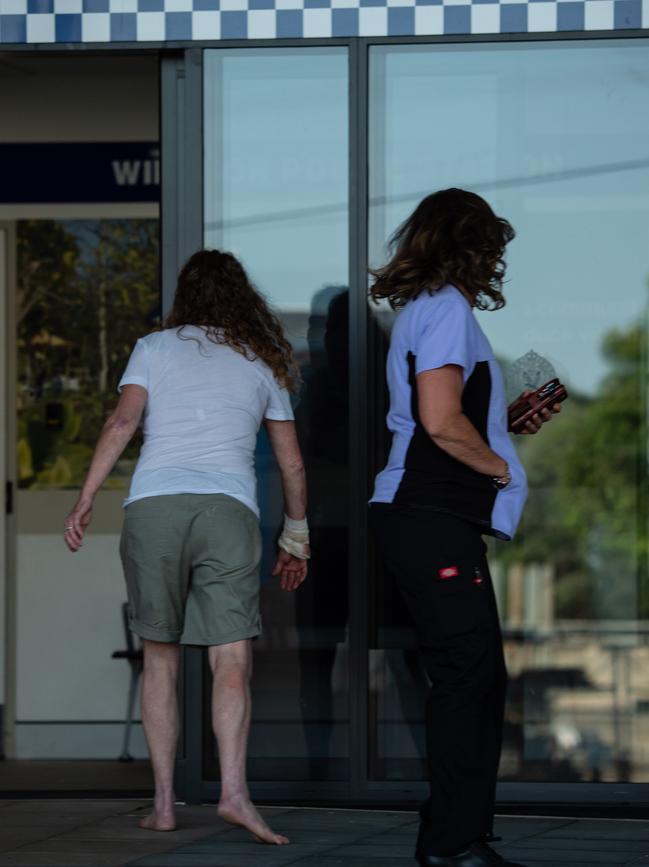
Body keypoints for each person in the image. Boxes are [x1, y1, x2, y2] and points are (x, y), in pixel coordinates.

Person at [64, 249, 310, 845]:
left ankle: (163, 804)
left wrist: (86, 497)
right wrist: (296, 535)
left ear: (186, 295)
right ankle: (234, 793)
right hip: (228, 511)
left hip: (155, 506)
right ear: (242, 295)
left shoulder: (153, 347)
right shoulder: (262, 360)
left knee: (162, 656)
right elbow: (291, 463)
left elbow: (121, 425)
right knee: (230, 658)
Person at [368, 189, 561, 867]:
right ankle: (450, 842)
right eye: (492, 248)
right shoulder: (447, 308)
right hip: (430, 516)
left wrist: (507, 425)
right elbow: (441, 421)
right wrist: (501, 471)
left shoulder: (426, 310)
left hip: (426, 517)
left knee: (475, 676)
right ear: (471, 245)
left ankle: (458, 832)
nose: (496, 262)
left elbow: (450, 417)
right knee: (467, 676)